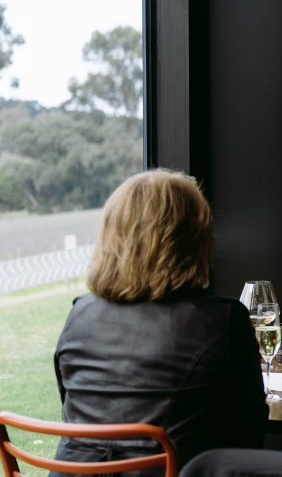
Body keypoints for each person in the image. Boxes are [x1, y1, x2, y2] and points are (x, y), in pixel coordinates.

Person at [51, 169, 268, 474]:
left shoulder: (80, 313)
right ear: (194, 238)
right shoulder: (222, 320)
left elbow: (73, 414)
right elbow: (248, 436)